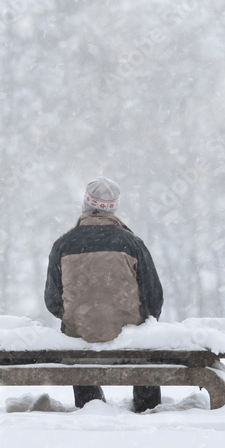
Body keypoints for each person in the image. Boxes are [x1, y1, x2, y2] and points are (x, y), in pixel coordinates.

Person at [44, 176, 164, 412]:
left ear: (86, 204)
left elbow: (52, 301)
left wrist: (80, 317)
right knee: (145, 338)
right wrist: (138, 320)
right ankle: (148, 407)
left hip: (80, 338)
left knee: (74, 337)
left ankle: (90, 404)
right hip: (129, 339)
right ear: (114, 207)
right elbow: (154, 297)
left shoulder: (63, 245)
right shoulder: (132, 243)